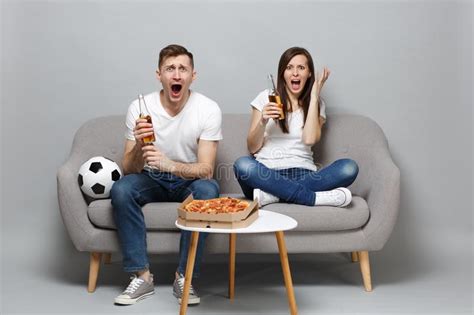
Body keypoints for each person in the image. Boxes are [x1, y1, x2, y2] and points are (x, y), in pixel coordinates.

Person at [110, 44, 222, 306]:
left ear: (193, 76)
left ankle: (184, 276)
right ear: (159, 75)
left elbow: (206, 169)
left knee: (209, 190)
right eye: (170, 69)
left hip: (188, 177)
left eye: (183, 69)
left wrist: (169, 164)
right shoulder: (140, 107)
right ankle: (142, 276)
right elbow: (128, 169)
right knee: (122, 189)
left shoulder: (208, 108)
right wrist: (139, 143)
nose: (176, 75)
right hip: (150, 178)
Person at [233, 47, 358, 208]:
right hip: (266, 174)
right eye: (289, 67)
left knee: (348, 167)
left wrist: (314, 97)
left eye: (301, 67)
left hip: (303, 174)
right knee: (242, 165)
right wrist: (263, 121)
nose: (295, 73)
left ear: (309, 73)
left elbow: (309, 139)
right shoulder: (265, 97)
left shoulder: (317, 104)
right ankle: (311, 198)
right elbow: (252, 148)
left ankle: (274, 196)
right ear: (282, 73)